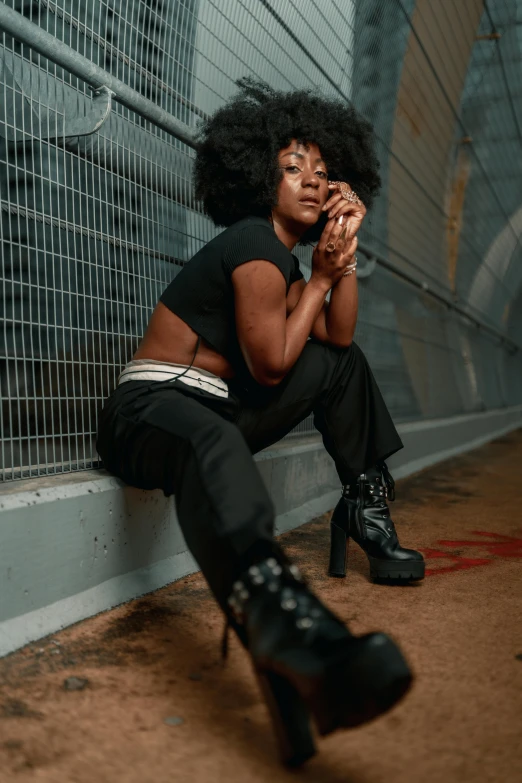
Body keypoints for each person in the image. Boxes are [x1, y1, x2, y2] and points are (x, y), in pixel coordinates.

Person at [96, 79, 423, 767]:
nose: (310, 179)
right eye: (292, 165)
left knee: (343, 364)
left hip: (211, 410)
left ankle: (364, 499)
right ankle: (297, 635)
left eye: (323, 172)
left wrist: (342, 256)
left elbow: (335, 340)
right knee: (214, 435)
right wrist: (322, 279)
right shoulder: (252, 243)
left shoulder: (292, 267)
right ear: (257, 174)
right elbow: (272, 364)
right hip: (150, 409)